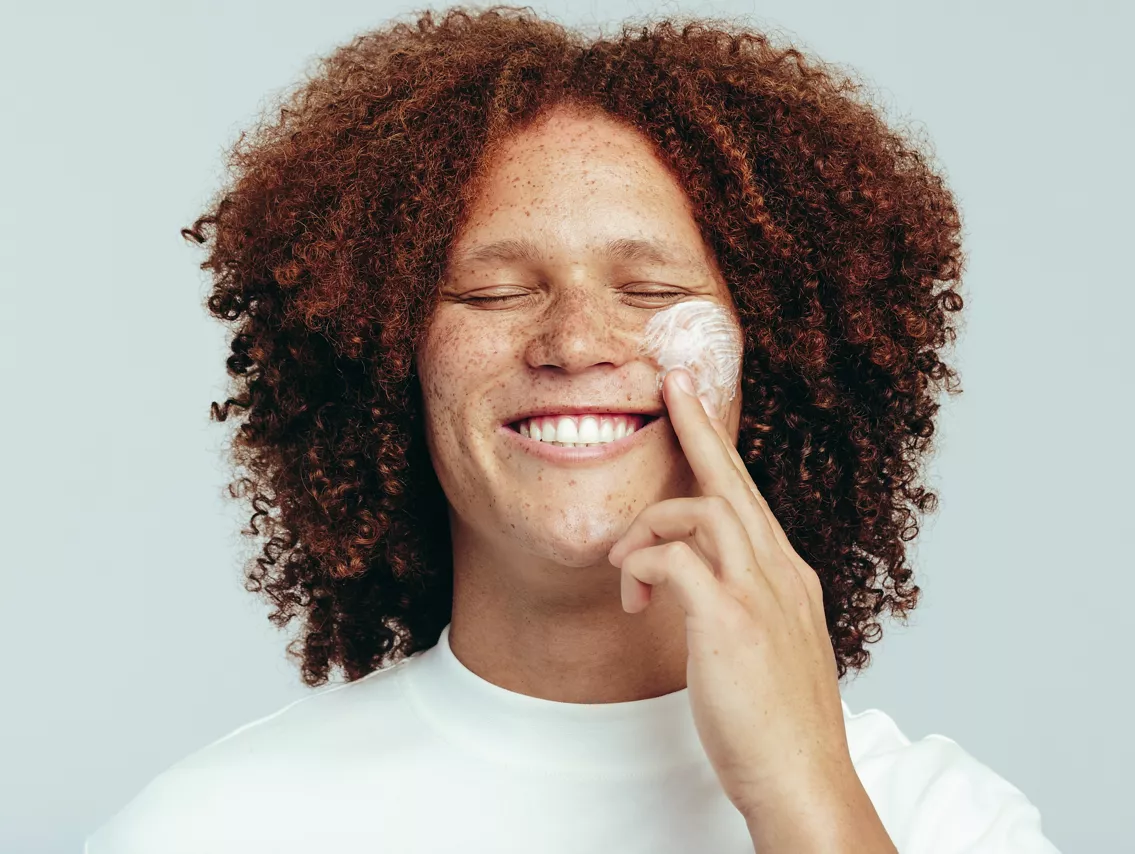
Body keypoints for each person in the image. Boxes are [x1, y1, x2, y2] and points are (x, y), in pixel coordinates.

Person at [87, 6, 1060, 853]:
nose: (574, 341)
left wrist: (800, 798)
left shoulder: (937, 820)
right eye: (495, 290)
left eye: (650, 291)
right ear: (390, 361)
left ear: (783, 364)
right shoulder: (208, 829)